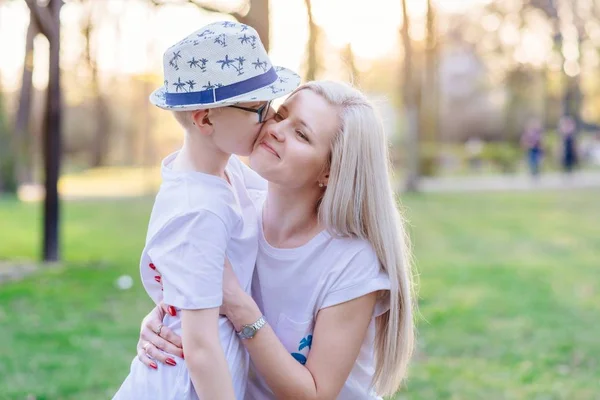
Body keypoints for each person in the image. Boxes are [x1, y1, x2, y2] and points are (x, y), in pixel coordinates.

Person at [134, 81, 416, 399]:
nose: (278, 130)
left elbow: (316, 394)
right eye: (280, 115)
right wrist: (163, 320)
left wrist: (239, 305)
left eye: (302, 134)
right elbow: (199, 314)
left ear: (329, 171)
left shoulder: (352, 260)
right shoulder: (233, 212)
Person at [112, 21, 300, 400]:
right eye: (258, 108)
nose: (271, 119)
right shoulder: (198, 210)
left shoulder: (226, 170)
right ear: (205, 119)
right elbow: (199, 349)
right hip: (185, 386)